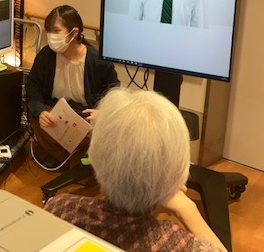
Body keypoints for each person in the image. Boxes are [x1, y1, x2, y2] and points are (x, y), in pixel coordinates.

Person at [45, 88, 228, 252]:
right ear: (178, 175)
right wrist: (187, 209)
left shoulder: (59, 209)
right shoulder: (179, 245)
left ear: (95, 160)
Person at [25, 5, 119, 168]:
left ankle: (69, 157)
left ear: (74, 33)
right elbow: (33, 86)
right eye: (48, 31)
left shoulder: (99, 61)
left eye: (56, 31)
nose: (51, 36)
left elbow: (114, 93)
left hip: (85, 114)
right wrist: (40, 112)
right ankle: (69, 157)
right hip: (55, 109)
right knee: (37, 118)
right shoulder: (46, 56)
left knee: (100, 132)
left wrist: (102, 113)